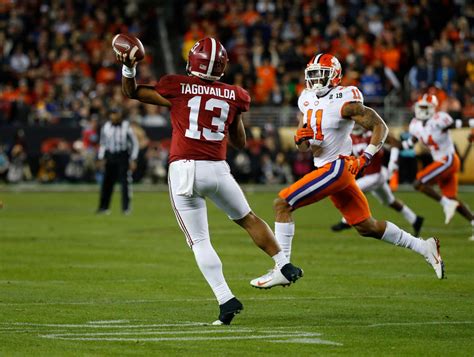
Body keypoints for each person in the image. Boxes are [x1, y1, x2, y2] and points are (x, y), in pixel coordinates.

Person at [116, 37, 303, 325]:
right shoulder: (235, 95)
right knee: (248, 218)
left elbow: (132, 92)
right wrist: (232, 114)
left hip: (185, 170)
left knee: (200, 240)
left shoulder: (176, 86)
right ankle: (284, 263)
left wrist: (129, 68)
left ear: (193, 62)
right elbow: (240, 142)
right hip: (218, 169)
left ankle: (226, 299)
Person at [251, 53, 444, 289]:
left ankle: (282, 267)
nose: (316, 81)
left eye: (321, 75)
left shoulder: (345, 98)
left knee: (282, 204)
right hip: (327, 167)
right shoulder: (306, 99)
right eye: (312, 76)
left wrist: (366, 157)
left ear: (334, 75)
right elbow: (307, 146)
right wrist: (300, 140)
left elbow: (379, 127)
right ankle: (423, 246)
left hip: (338, 167)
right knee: (367, 226)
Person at [401, 94, 474, 239]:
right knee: (452, 198)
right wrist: (388, 144)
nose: (422, 110)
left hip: (448, 160)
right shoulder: (415, 124)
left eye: (425, 107)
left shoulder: (439, 119)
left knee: (419, 182)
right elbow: (409, 143)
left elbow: (461, 123)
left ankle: (445, 203)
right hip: (442, 162)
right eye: (420, 107)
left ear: (433, 108)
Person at [331, 125, 424, 236]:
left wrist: (393, 162)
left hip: (377, 174)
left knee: (351, 190)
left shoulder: (372, 133)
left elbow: (395, 143)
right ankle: (415, 219)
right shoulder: (350, 136)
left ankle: (345, 221)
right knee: (389, 201)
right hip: (370, 175)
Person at [97, 108, 138, 215]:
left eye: (116, 114)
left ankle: (126, 208)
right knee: (107, 182)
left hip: (123, 156)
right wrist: (101, 157)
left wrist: (133, 158)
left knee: (125, 183)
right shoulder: (106, 126)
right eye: (112, 114)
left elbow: (135, 143)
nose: (114, 117)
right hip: (110, 156)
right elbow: (103, 143)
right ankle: (104, 208)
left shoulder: (126, 126)